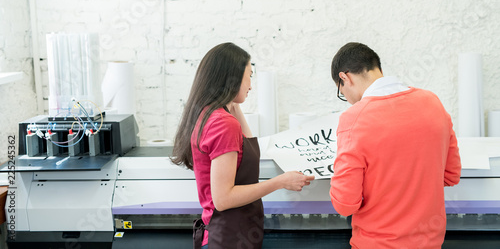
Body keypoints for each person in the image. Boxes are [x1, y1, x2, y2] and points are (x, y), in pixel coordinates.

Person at [171, 42, 314, 249]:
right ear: (233, 78)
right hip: (228, 238)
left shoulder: (212, 114)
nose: (251, 85)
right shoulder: (223, 123)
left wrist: (232, 99)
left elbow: (248, 143)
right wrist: (281, 181)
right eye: (249, 76)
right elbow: (223, 198)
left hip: (231, 233)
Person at [329, 42, 461, 249]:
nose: (347, 100)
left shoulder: (354, 118)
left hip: (376, 243)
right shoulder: (432, 102)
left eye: (342, 92)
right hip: (431, 242)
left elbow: (345, 204)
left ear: (345, 78)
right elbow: (451, 175)